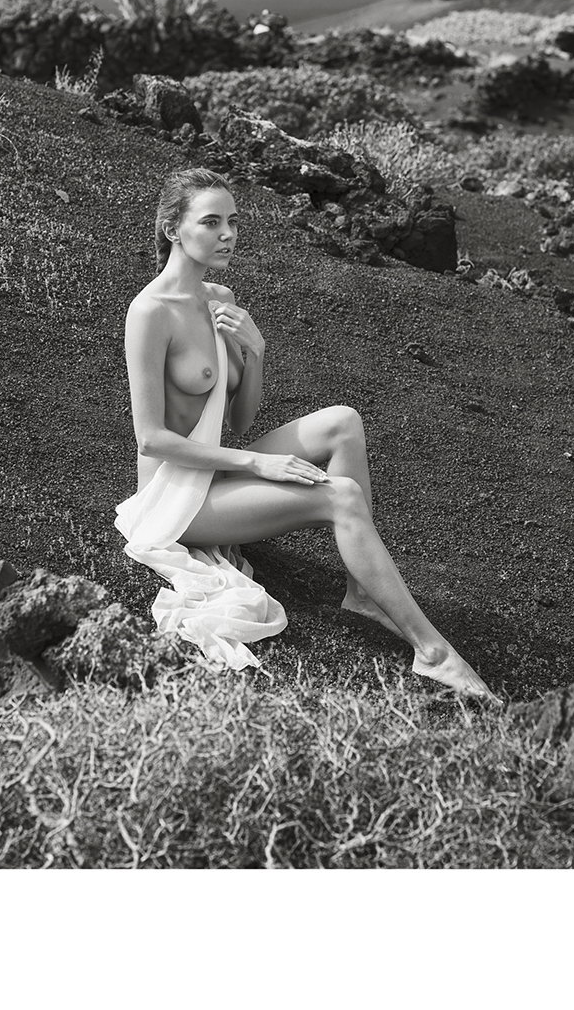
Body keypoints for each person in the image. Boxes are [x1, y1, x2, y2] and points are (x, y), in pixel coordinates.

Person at [114, 166, 497, 703]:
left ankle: (363, 592)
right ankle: (432, 652)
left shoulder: (218, 296)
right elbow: (151, 439)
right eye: (212, 222)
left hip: (214, 470)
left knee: (343, 422)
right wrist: (257, 463)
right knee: (341, 496)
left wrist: (255, 351)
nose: (227, 234)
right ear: (173, 229)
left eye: (233, 222)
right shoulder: (149, 312)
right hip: (172, 503)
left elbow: (240, 422)